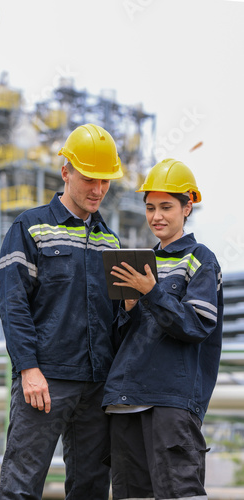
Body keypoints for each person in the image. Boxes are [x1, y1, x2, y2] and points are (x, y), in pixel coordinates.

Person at [0, 123, 123, 500]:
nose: (98, 190)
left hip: (98, 385)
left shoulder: (111, 241)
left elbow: (118, 320)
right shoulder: (30, 227)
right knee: (21, 487)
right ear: (65, 172)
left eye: (105, 181)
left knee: (91, 490)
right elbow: (12, 303)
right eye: (89, 179)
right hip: (45, 382)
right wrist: (29, 368)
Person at [102, 158, 223, 500]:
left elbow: (196, 324)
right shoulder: (140, 263)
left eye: (167, 207)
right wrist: (128, 308)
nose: (157, 216)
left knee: (179, 493)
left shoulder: (200, 260)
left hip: (171, 402)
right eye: (151, 207)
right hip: (125, 400)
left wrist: (151, 293)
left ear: (188, 206)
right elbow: (124, 341)